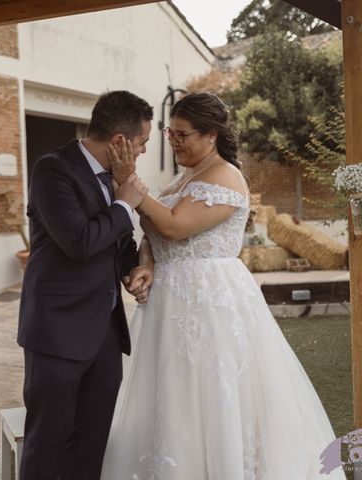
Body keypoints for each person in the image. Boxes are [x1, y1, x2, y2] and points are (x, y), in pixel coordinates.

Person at [100, 92, 345, 479]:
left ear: (211, 134)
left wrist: (129, 182)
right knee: (172, 399)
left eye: (183, 135)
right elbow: (153, 233)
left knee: (212, 395)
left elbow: (175, 226)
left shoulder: (227, 176)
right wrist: (146, 263)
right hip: (169, 303)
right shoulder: (184, 177)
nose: (175, 142)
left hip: (209, 302)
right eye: (170, 133)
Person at [17, 90, 154, 480]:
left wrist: (134, 269)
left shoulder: (115, 178)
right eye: (141, 143)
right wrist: (125, 204)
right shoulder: (52, 170)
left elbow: (117, 242)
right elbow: (78, 241)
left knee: (92, 442)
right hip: (57, 332)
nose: (142, 152)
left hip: (105, 335)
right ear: (119, 142)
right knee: (48, 443)